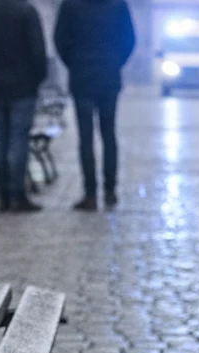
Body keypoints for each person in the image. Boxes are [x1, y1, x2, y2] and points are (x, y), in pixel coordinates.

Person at [54, 0, 136, 211]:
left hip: (81, 77)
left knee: (86, 138)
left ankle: (90, 193)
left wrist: (74, 63)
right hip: (109, 77)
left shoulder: (71, 5)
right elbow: (129, 40)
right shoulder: (117, 5)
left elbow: (60, 40)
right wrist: (115, 62)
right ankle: (110, 190)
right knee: (109, 135)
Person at [0, 0, 49, 213]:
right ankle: (18, 194)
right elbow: (38, 51)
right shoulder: (27, 12)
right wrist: (35, 80)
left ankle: (3, 195)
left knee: (1, 141)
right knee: (18, 141)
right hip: (24, 88)